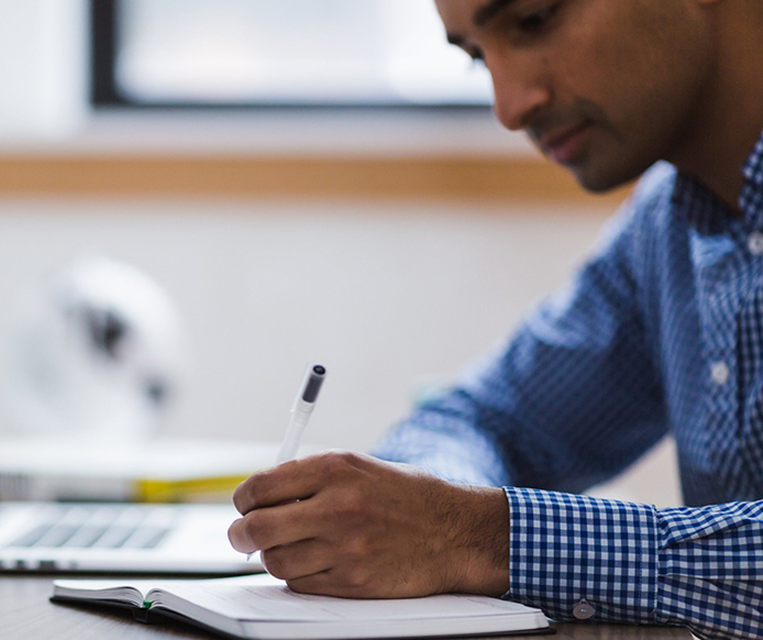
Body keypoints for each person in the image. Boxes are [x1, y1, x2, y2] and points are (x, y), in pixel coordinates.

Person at [227, 1, 763, 638]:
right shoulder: (667, 228)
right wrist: (413, 516)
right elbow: (486, 419)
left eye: (534, 20)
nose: (510, 108)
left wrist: (480, 537)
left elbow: (471, 525)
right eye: (478, 57)